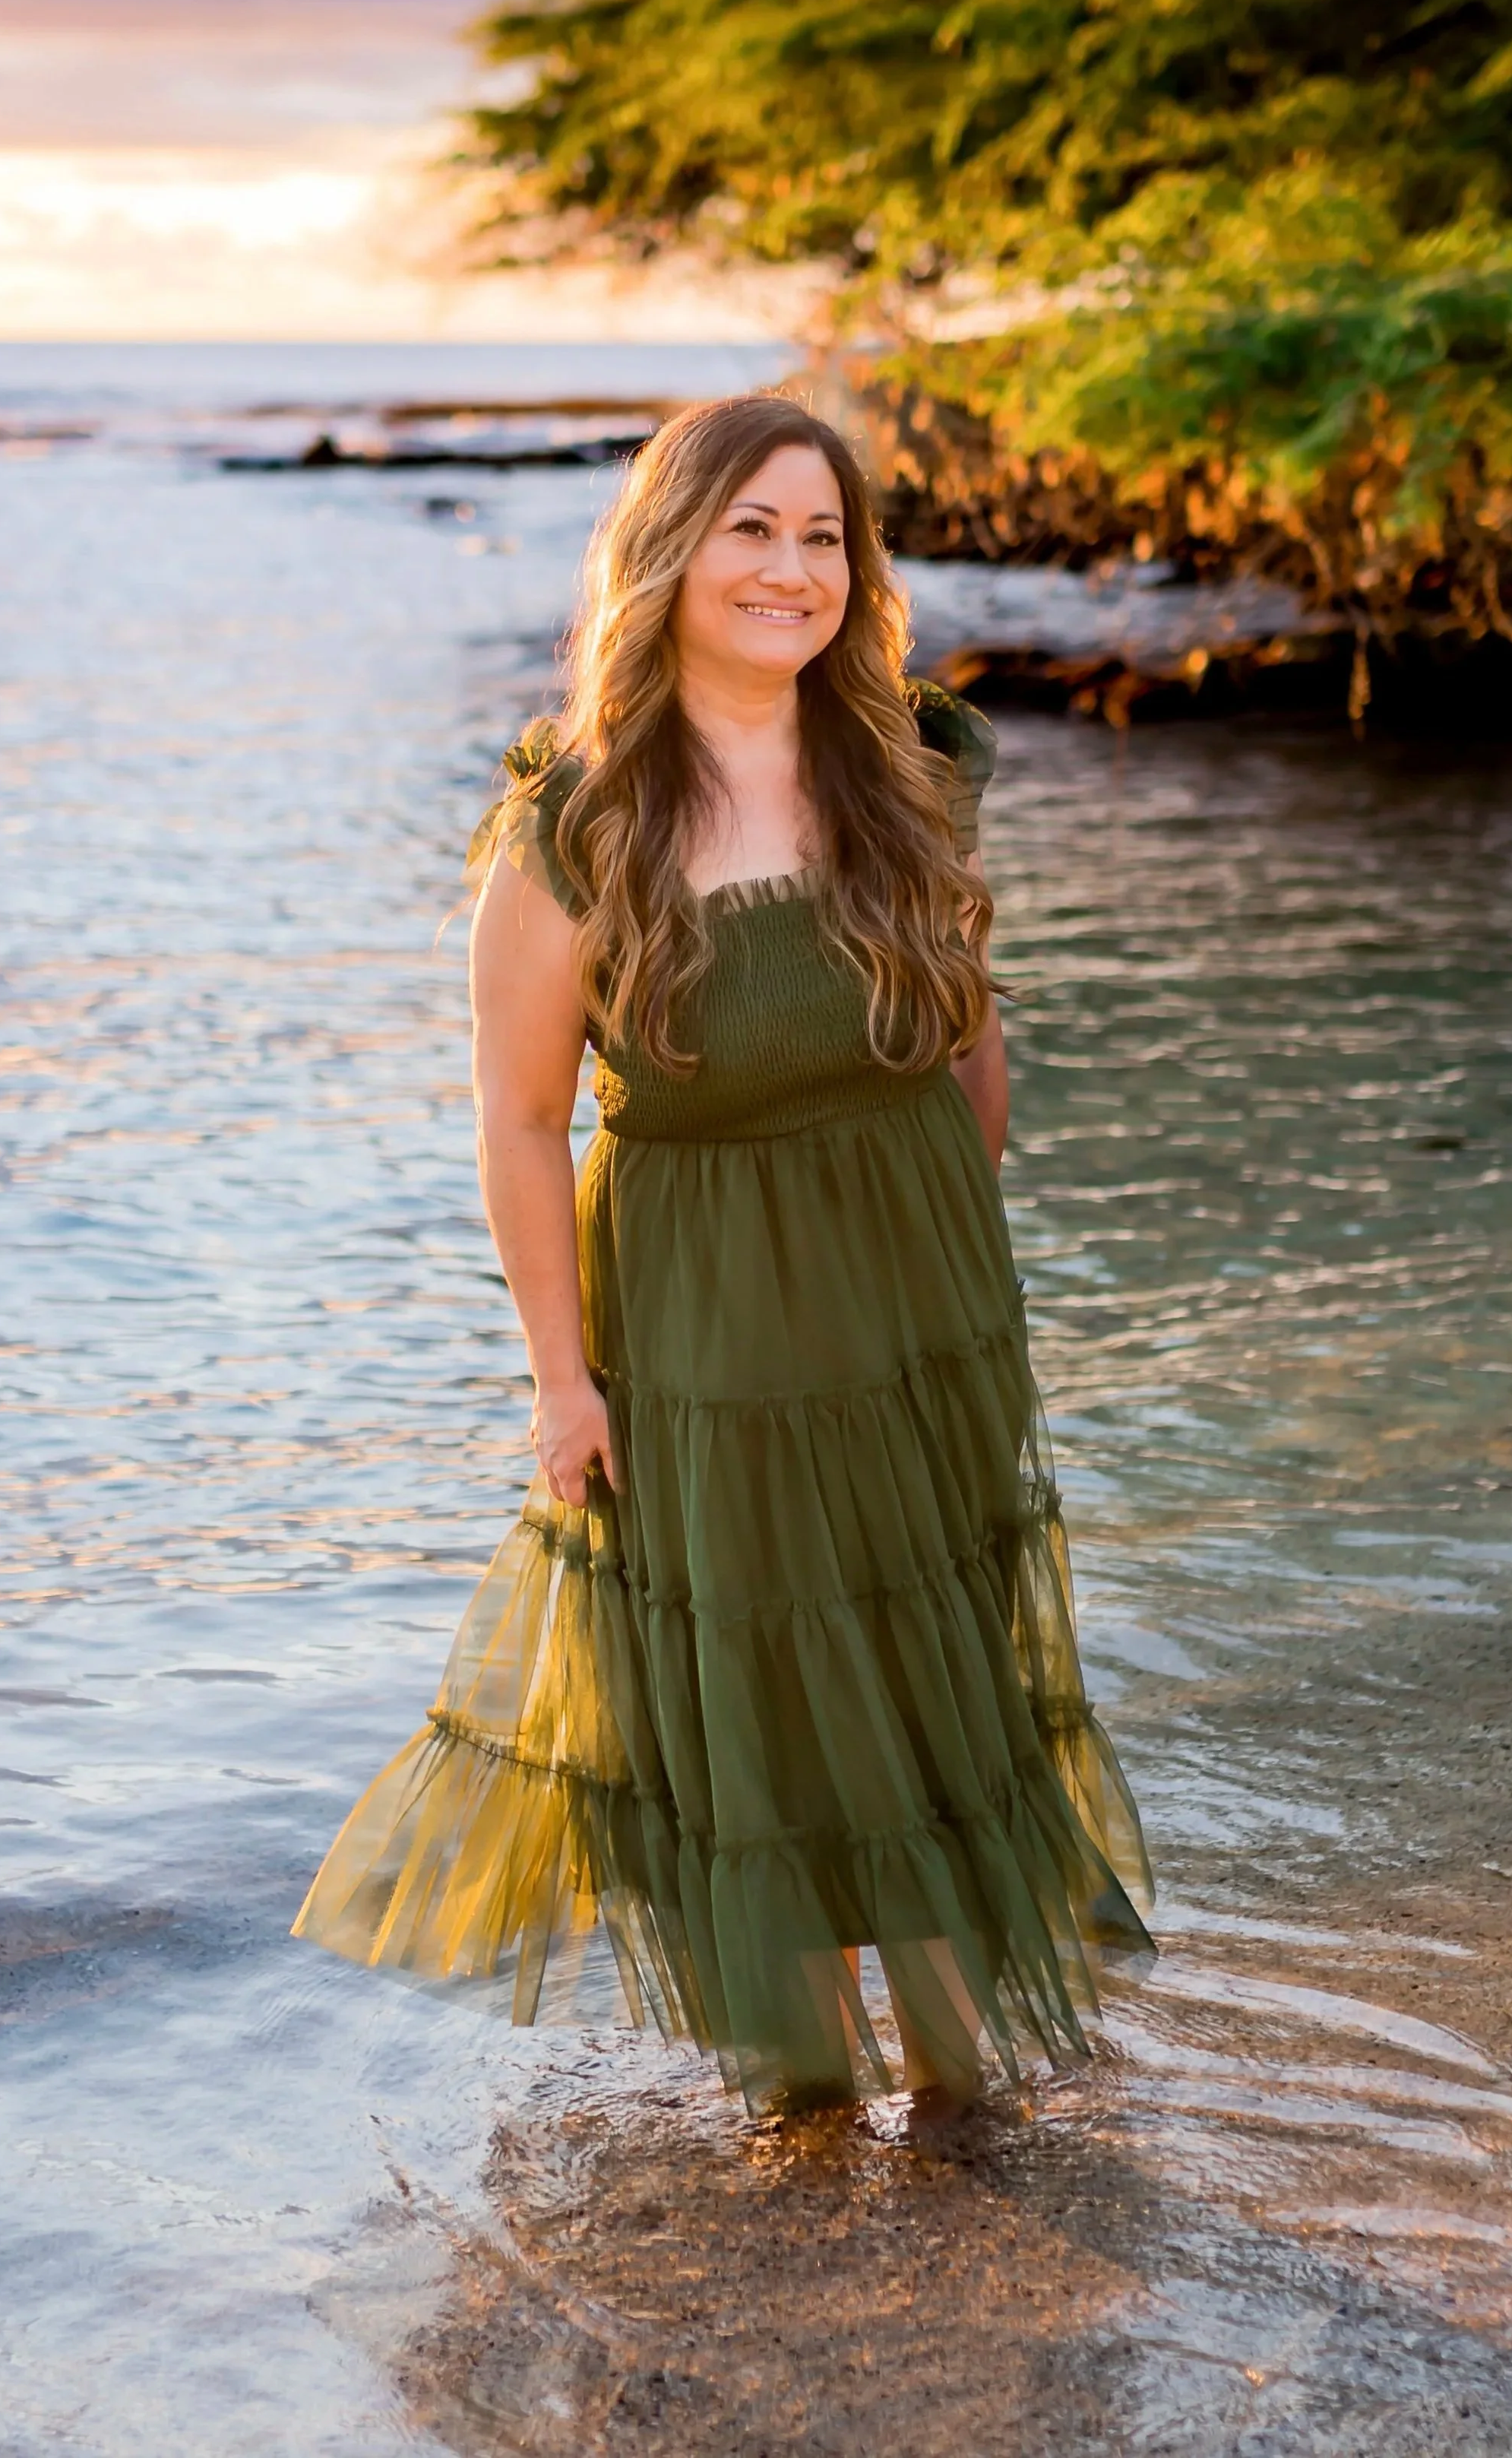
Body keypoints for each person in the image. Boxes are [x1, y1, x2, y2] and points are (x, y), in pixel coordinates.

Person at [294, 393, 1154, 2121]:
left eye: (820, 534)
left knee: (926, 1672)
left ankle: (961, 2091)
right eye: (749, 529)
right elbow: (522, 1121)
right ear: (668, 553)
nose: (789, 568)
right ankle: (812, 2106)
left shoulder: (911, 765)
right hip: (700, 1309)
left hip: (918, 1304)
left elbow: (968, 1027)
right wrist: (558, 1381)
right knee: (763, 1683)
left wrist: (945, 1252)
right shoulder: (580, 829)